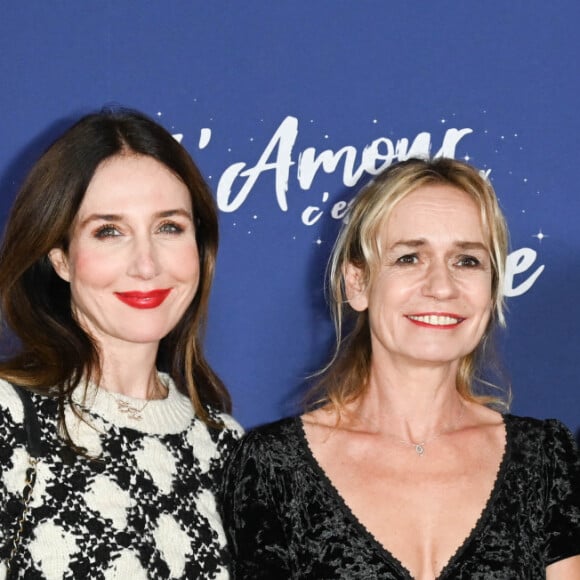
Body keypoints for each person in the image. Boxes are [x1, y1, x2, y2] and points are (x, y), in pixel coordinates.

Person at [221, 157, 580, 579]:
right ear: (357, 283)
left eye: (467, 261)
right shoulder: (272, 467)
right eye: (410, 258)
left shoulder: (545, 458)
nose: (442, 287)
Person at [0, 108, 242, 579]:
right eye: (109, 231)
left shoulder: (228, 449)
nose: (146, 264)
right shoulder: (7, 419)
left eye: (169, 227)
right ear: (61, 258)